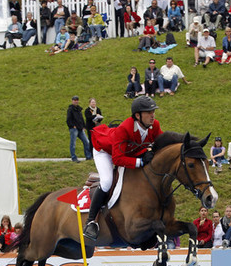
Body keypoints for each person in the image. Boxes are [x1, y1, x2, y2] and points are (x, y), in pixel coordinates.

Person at [85, 96, 163, 240]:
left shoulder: (154, 125)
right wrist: (140, 162)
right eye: (149, 112)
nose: (152, 115)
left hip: (127, 152)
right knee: (107, 181)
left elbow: (161, 143)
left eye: (153, 111)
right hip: (105, 151)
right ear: (138, 115)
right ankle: (91, 222)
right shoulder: (125, 128)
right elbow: (117, 159)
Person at [66, 96, 91, 163]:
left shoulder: (79, 109)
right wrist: (72, 126)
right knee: (73, 143)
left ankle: (88, 156)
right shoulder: (70, 109)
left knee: (86, 142)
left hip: (80, 128)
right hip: (74, 129)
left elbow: (81, 118)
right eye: (74, 100)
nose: (76, 101)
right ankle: (74, 158)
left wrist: (84, 126)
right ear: (72, 101)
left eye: (77, 100)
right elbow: (68, 120)